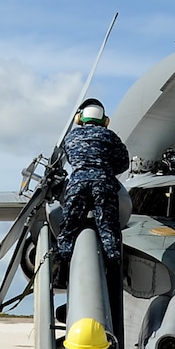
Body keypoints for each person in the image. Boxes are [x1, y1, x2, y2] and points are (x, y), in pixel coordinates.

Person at [56, 99, 130, 272]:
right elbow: (123, 163)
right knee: (108, 230)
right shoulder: (110, 136)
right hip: (104, 184)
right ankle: (113, 272)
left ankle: (61, 271)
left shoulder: (71, 137)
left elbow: (69, 157)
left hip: (77, 185)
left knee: (68, 230)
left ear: (79, 118)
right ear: (104, 120)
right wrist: (107, 169)